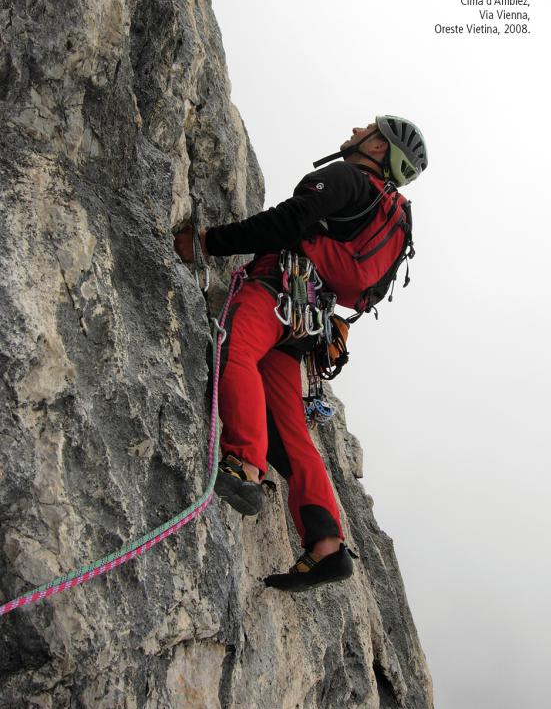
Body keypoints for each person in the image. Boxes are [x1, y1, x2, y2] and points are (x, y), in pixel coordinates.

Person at [174, 115, 428, 592]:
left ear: (378, 149)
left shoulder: (349, 178)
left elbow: (286, 223)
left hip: (275, 289)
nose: (355, 131)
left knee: (234, 356)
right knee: (291, 430)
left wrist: (209, 243)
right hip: (305, 323)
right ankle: (326, 544)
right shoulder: (384, 212)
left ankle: (244, 463)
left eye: (366, 130)